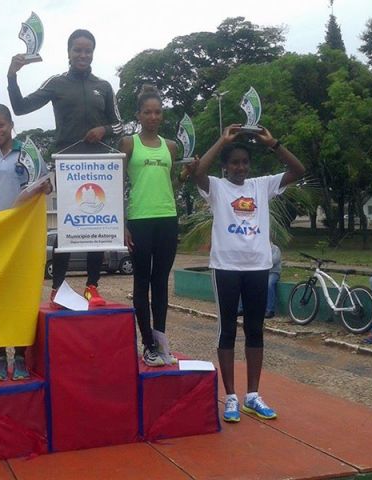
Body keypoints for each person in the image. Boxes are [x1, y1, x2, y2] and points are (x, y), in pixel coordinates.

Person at [192, 124, 305, 423]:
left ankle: (252, 395)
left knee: (255, 330)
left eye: (244, 162)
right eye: (234, 163)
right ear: (226, 167)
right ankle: (230, 397)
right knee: (227, 330)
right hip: (226, 267)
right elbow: (198, 173)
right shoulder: (216, 187)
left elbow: (298, 170)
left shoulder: (261, 185)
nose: (240, 167)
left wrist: (273, 142)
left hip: (258, 266)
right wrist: (222, 140)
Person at [7, 28, 123, 308]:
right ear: (69, 53)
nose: (82, 55)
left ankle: (91, 287)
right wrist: (12, 75)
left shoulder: (104, 86)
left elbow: (121, 125)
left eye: (87, 50)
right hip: (67, 166)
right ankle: (58, 289)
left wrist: (103, 129)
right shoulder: (57, 82)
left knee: (97, 227)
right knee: (68, 227)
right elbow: (21, 107)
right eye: (77, 50)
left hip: (99, 166)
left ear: (92, 53)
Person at [118, 85, 190, 367]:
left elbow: (167, 185)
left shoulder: (170, 146)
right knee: (142, 281)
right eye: (147, 112)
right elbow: (117, 184)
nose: (153, 116)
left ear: (162, 115)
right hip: (139, 219)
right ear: (139, 114)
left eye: (157, 112)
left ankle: (162, 344)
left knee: (161, 283)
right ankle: (147, 344)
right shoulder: (128, 144)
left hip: (167, 218)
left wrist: (184, 176)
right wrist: (122, 224)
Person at [0, 103, 51, 380]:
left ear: (11, 124)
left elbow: (47, 184)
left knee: (21, 298)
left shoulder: (29, 154)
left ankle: (20, 356)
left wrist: (45, 185)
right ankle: (0, 358)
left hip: (23, 237)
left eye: (2, 124)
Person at [238, 241, 281, 318]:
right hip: (260, 272)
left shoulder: (275, 249)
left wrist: (261, 261)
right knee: (245, 282)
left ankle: (270, 310)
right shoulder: (259, 248)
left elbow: (274, 260)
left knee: (269, 284)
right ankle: (242, 308)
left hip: (273, 272)